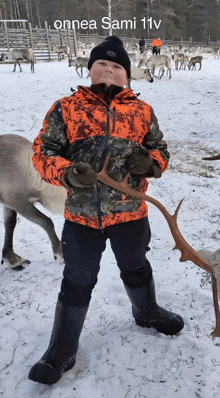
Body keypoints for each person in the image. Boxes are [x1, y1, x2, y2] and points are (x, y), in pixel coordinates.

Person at [28, 36, 184, 385]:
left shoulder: (142, 112)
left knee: (137, 266)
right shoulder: (66, 108)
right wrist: (66, 172)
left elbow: (160, 149)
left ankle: (147, 313)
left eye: (117, 67)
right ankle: (62, 348)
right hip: (82, 217)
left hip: (130, 212)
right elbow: (43, 153)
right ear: (91, 69)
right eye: (103, 65)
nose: (110, 72)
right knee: (77, 281)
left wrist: (152, 164)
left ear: (127, 75)